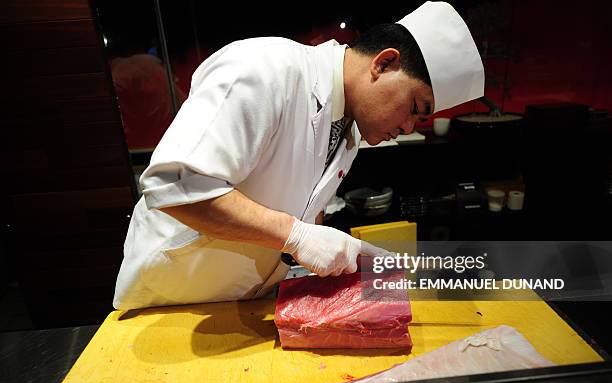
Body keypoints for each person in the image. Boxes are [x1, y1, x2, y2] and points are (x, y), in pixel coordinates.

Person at [113, 1, 485, 310]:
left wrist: (323, 252)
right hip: (170, 299)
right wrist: (298, 236)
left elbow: (300, 203)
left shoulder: (348, 125)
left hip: (244, 302)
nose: (408, 127)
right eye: (415, 107)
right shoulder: (264, 69)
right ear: (384, 63)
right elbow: (175, 186)